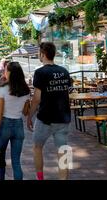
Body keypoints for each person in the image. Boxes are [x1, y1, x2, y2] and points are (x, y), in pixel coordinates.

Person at [26, 42, 72, 180]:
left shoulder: (40, 72)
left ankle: (40, 177)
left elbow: (36, 99)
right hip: (63, 117)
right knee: (63, 150)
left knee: (37, 147)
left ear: (43, 54)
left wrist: (29, 116)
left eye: (39, 53)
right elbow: (66, 93)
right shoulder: (64, 71)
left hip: (45, 118)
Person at [0, 62, 30, 180]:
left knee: (0, 159)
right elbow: (25, 112)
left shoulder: (3, 89)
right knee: (16, 162)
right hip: (18, 125)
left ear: (11, 73)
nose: (4, 72)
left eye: (6, 70)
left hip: (5, 125)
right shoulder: (25, 90)